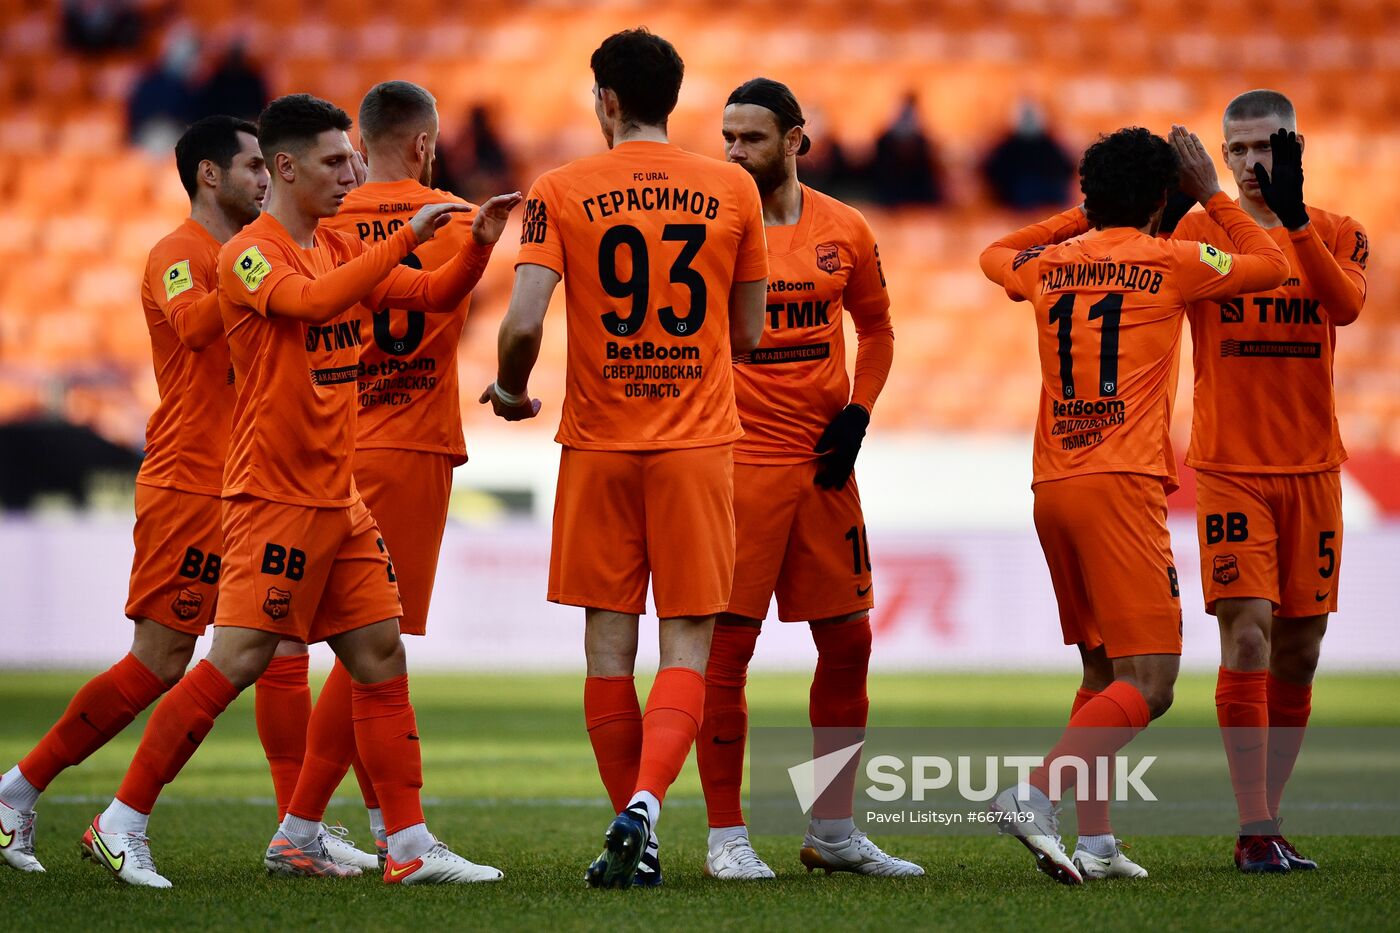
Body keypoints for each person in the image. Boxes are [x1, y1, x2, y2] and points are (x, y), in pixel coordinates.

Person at [80, 93, 519, 889]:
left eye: (354, 157)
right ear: (284, 167)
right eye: (333, 161)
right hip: (270, 496)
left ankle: (411, 844)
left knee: (381, 652)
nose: (352, 171)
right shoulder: (248, 255)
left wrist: (479, 246)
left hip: (337, 495)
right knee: (236, 659)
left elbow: (428, 297)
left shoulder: (337, 243)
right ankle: (121, 820)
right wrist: (402, 242)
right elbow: (313, 304)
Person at [481, 28, 767, 888]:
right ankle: (645, 804)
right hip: (696, 447)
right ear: (672, 98)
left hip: (598, 448)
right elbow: (749, 333)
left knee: (608, 651)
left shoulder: (559, 189)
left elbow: (524, 322)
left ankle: (635, 833)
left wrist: (509, 388)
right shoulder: (733, 187)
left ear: (604, 98)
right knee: (688, 646)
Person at [978, 125, 1288, 884]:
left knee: (1102, 669)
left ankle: (1097, 841)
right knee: (1151, 682)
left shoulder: (1048, 263)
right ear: (1162, 200)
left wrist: (1074, 220)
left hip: (1053, 484)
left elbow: (992, 254)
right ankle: (1034, 792)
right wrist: (1213, 190)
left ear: (1089, 196)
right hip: (1121, 486)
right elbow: (1274, 264)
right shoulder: (1176, 259)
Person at [0, 115, 267, 874]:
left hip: (246, 482)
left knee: (275, 645)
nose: (263, 179)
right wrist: (258, 277)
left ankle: (304, 827)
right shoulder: (179, 254)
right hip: (191, 482)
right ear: (210, 176)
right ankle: (23, 791)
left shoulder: (248, 255)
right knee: (160, 660)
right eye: (251, 166)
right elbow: (191, 326)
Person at [696, 77, 918, 881]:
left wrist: (859, 413)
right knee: (726, 653)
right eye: (727, 136)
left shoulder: (845, 227)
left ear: (797, 141)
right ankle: (726, 834)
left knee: (850, 641)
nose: (733, 151)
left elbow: (880, 328)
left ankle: (832, 828)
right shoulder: (713, 226)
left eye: (750, 137)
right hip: (739, 463)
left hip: (826, 467)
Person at [270, 79, 489, 872]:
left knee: (302, 644)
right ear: (426, 144)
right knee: (373, 646)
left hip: (323, 441)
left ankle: (362, 821)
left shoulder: (322, 220)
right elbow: (445, 298)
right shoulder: (456, 218)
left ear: (358, 145)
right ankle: (306, 826)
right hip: (408, 445)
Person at [1167, 90, 1367, 874]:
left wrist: (1297, 219)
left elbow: (1343, 306)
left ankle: (1270, 816)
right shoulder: (1196, 232)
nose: (1253, 163)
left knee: (1300, 649)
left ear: (1295, 146)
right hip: (1229, 470)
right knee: (1247, 633)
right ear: (1221, 155)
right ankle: (1254, 826)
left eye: (1268, 147)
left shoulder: (1342, 231)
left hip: (1314, 470)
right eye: (1238, 149)